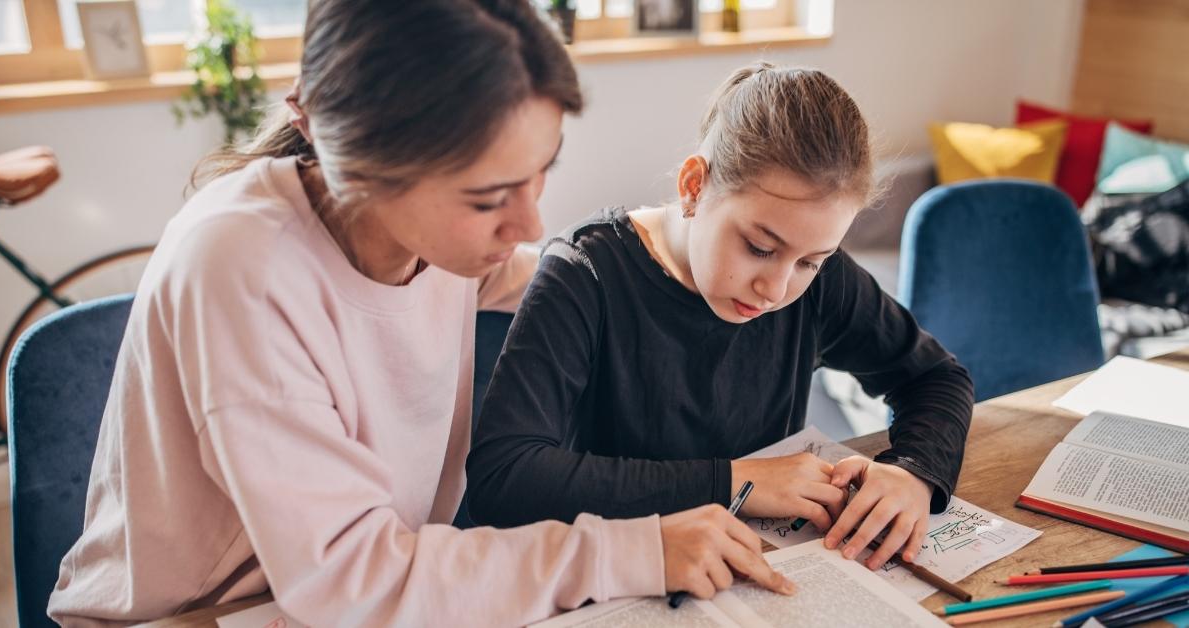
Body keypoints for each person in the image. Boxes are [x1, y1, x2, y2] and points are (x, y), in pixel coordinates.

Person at [47, 3, 793, 626]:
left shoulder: (438, 244)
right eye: (486, 197)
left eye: (541, 173)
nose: (529, 223)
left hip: (352, 592)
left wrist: (682, 254)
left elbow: (573, 285)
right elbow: (357, 579)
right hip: (201, 614)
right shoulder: (238, 266)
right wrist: (633, 548)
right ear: (359, 165)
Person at [466, 63, 975, 572]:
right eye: (758, 247)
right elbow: (504, 476)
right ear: (693, 187)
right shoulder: (586, 274)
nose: (776, 289)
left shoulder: (823, 283)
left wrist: (912, 471)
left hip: (767, 573)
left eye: (809, 262)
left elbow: (937, 376)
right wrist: (737, 482)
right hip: (617, 575)